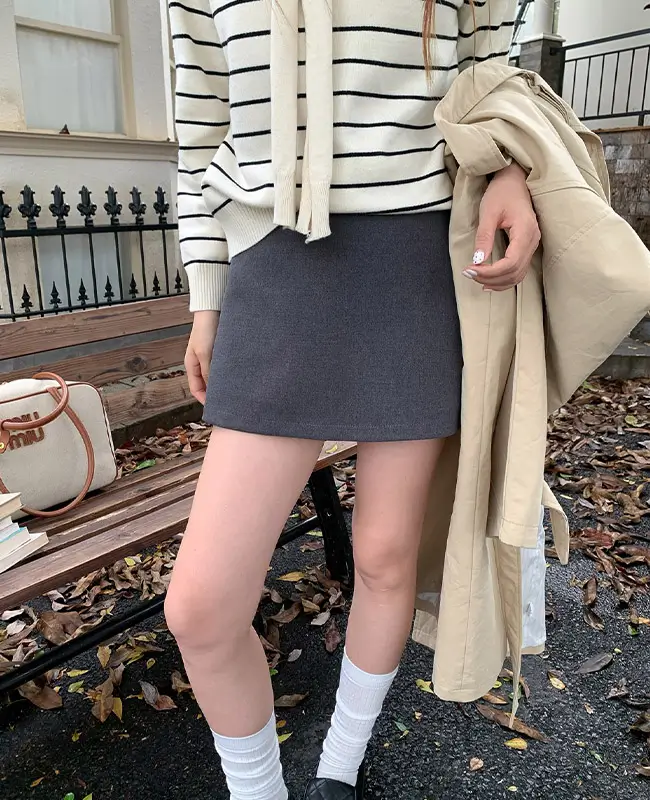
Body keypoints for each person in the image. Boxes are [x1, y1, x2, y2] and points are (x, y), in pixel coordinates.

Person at [164, 1, 538, 798]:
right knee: (199, 607)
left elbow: (490, 80)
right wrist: (207, 301)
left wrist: (511, 170)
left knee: (386, 555)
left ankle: (340, 766)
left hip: (414, 264)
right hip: (271, 267)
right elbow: (198, 138)